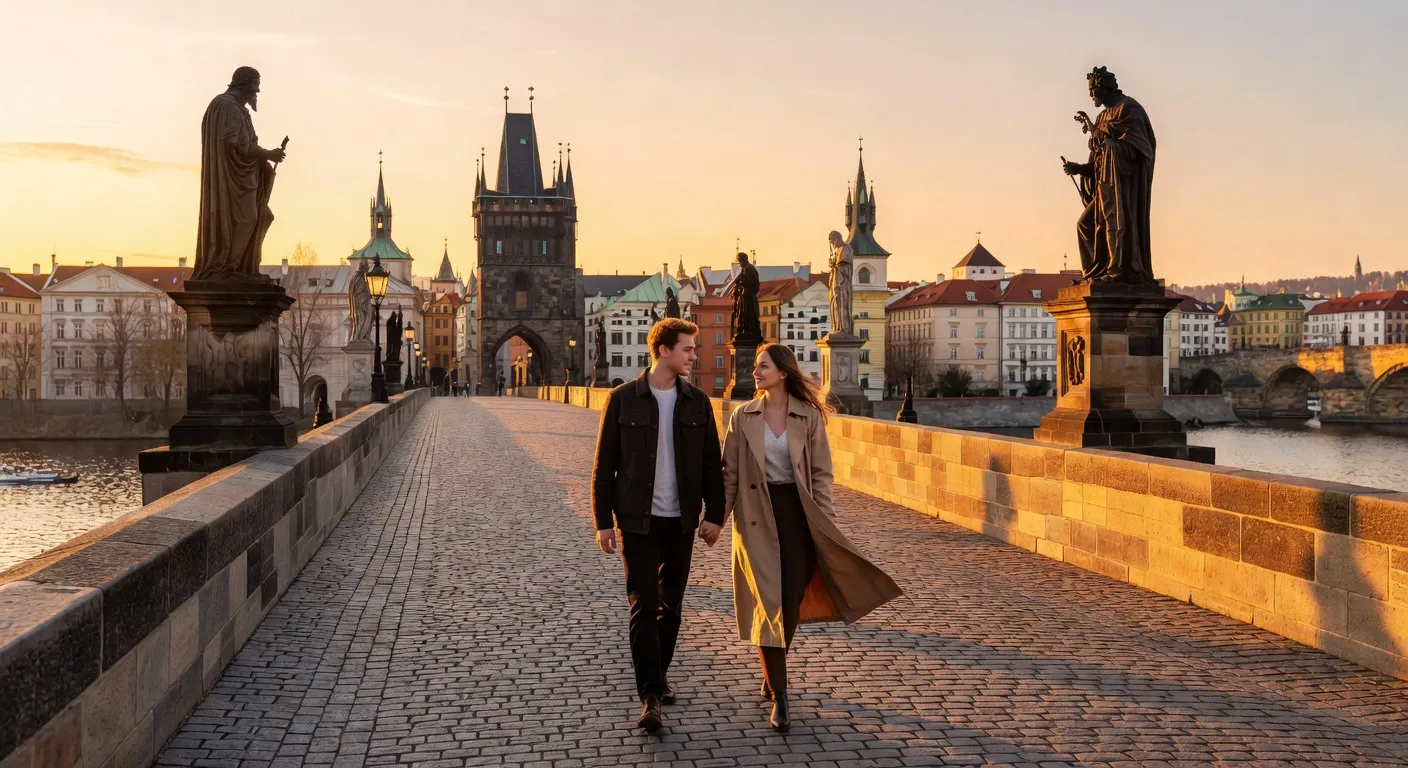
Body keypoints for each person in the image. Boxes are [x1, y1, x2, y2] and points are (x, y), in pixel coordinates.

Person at [720, 343, 902, 731]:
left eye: (763, 366)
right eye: (756, 366)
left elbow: (821, 474)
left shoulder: (809, 416)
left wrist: (826, 525)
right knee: (770, 602)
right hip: (755, 516)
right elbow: (729, 475)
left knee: (790, 598)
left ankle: (771, 670)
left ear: (783, 373)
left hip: (799, 516)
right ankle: (780, 695)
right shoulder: (742, 415)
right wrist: (716, 520)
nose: (755, 371)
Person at [592, 318, 725, 733]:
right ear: (664, 350)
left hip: (681, 521)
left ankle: (659, 676)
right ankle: (650, 696)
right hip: (637, 520)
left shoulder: (698, 401)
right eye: (688, 348)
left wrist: (716, 514)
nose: (694, 355)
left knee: (672, 608)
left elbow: (712, 464)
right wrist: (603, 521)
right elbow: (604, 465)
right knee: (644, 605)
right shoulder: (622, 399)